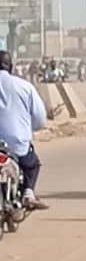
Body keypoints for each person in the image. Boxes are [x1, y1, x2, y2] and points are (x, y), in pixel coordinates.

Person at [0, 51, 48, 210]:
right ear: (11, 67)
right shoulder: (25, 86)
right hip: (17, 144)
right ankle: (28, 194)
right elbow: (40, 118)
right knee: (32, 164)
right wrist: (26, 129)